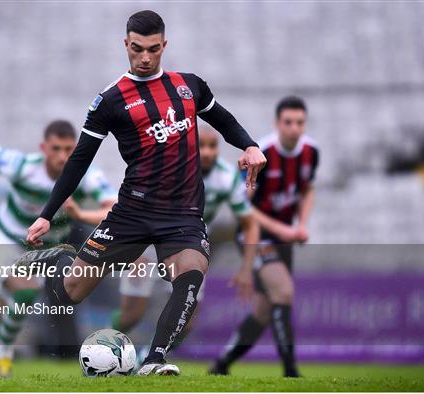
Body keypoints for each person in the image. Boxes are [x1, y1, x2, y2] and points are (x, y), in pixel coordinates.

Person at [19, 10, 266, 376]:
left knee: (192, 271)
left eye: (153, 49)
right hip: (131, 213)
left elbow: (224, 120)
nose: (146, 57)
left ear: (164, 45)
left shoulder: (190, 86)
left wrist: (249, 145)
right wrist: (46, 214)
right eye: (137, 49)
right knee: (70, 289)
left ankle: (155, 360)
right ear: (126, 45)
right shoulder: (110, 100)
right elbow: (79, 160)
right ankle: (54, 265)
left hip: (182, 215)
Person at [0, 120, 117, 377]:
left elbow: (113, 208)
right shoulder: (21, 166)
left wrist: (81, 214)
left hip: (39, 254)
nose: (62, 156)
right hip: (2, 242)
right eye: (56, 149)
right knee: (28, 289)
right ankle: (3, 358)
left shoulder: (86, 176)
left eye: (68, 150)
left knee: (1, 316)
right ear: (43, 148)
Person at [111, 127, 260, 352]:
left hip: (188, 246)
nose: (208, 152)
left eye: (213, 146)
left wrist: (247, 268)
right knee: (130, 316)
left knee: (186, 322)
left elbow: (250, 223)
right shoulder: (170, 168)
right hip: (150, 244)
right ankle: (101, 346)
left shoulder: (226, 178)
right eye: (202, 146)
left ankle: (146, 358)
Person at [210, 96, 319, 378]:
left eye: (300, 123)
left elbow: (307, 189)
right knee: (283, 291)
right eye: (288, 122)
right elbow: (245, 211)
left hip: (283, 239)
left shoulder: (311, 153)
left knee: (263, 310)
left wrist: (302, 224)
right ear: (277, 124)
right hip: (256, 236)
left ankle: (221, 364)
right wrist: (283, 229)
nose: (294, 128)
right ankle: (291, 372)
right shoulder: (262, 153)